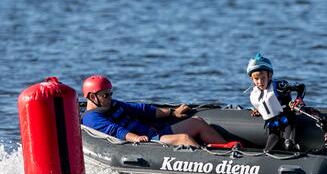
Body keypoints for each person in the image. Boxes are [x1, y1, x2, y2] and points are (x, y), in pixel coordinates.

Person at [81, 74, 226, 147]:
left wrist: (172, 112)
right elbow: (116, 131)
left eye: (111, 93)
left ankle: (229, 151)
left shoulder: (112, 104)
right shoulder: (92, 118)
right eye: (106, 95)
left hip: (154, 133)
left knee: (197, 122)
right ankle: (217, 164)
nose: (110, 97)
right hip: (146, 141)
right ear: (93, 96)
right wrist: (136, 138)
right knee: (184, 139)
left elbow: (141, 109)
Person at [246, 53, 306, 152]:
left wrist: (299, 99)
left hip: (287, 121)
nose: (260, 82)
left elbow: (301, 87)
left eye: (263, 78)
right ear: (252, 79)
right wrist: (259, 111)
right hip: (273, 125)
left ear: (269, 76)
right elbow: (266, 105)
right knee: (267, 151)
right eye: (256, 79)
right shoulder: (255, 93)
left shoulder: (279, 86)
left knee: (288, 145)